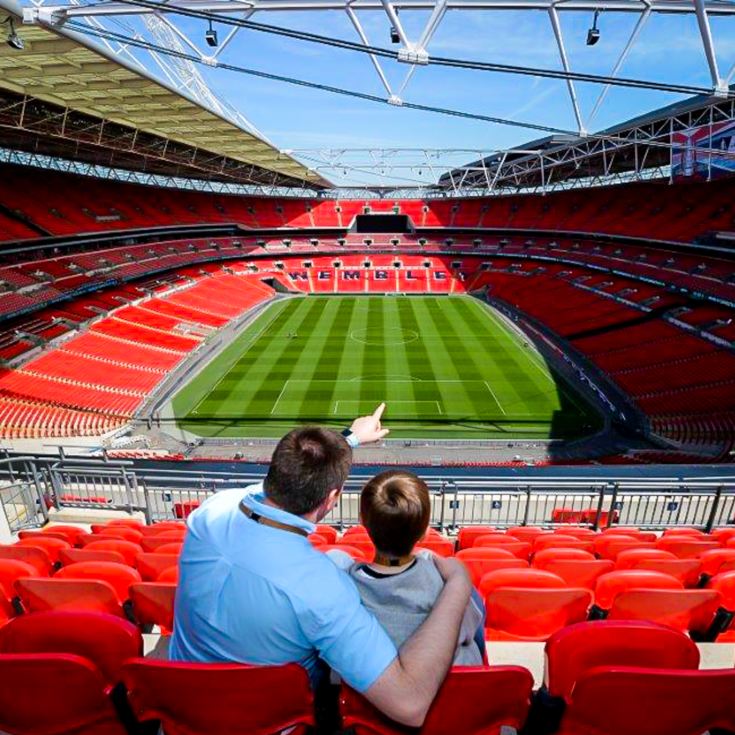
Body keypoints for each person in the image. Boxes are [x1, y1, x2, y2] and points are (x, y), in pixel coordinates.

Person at [169, 404, 473, 728]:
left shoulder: (212, 511)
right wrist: (458, 584)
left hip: (181, 713)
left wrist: (350, 440)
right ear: (331, 499)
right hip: (265, 724)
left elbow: (274, 486)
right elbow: (409, 704)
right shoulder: (321, 588)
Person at [328, 470, 484, 665]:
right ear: (426, 529)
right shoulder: (447, 586)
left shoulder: (339, 584)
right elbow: (473, 634)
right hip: (450, 687)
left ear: (362, 521)